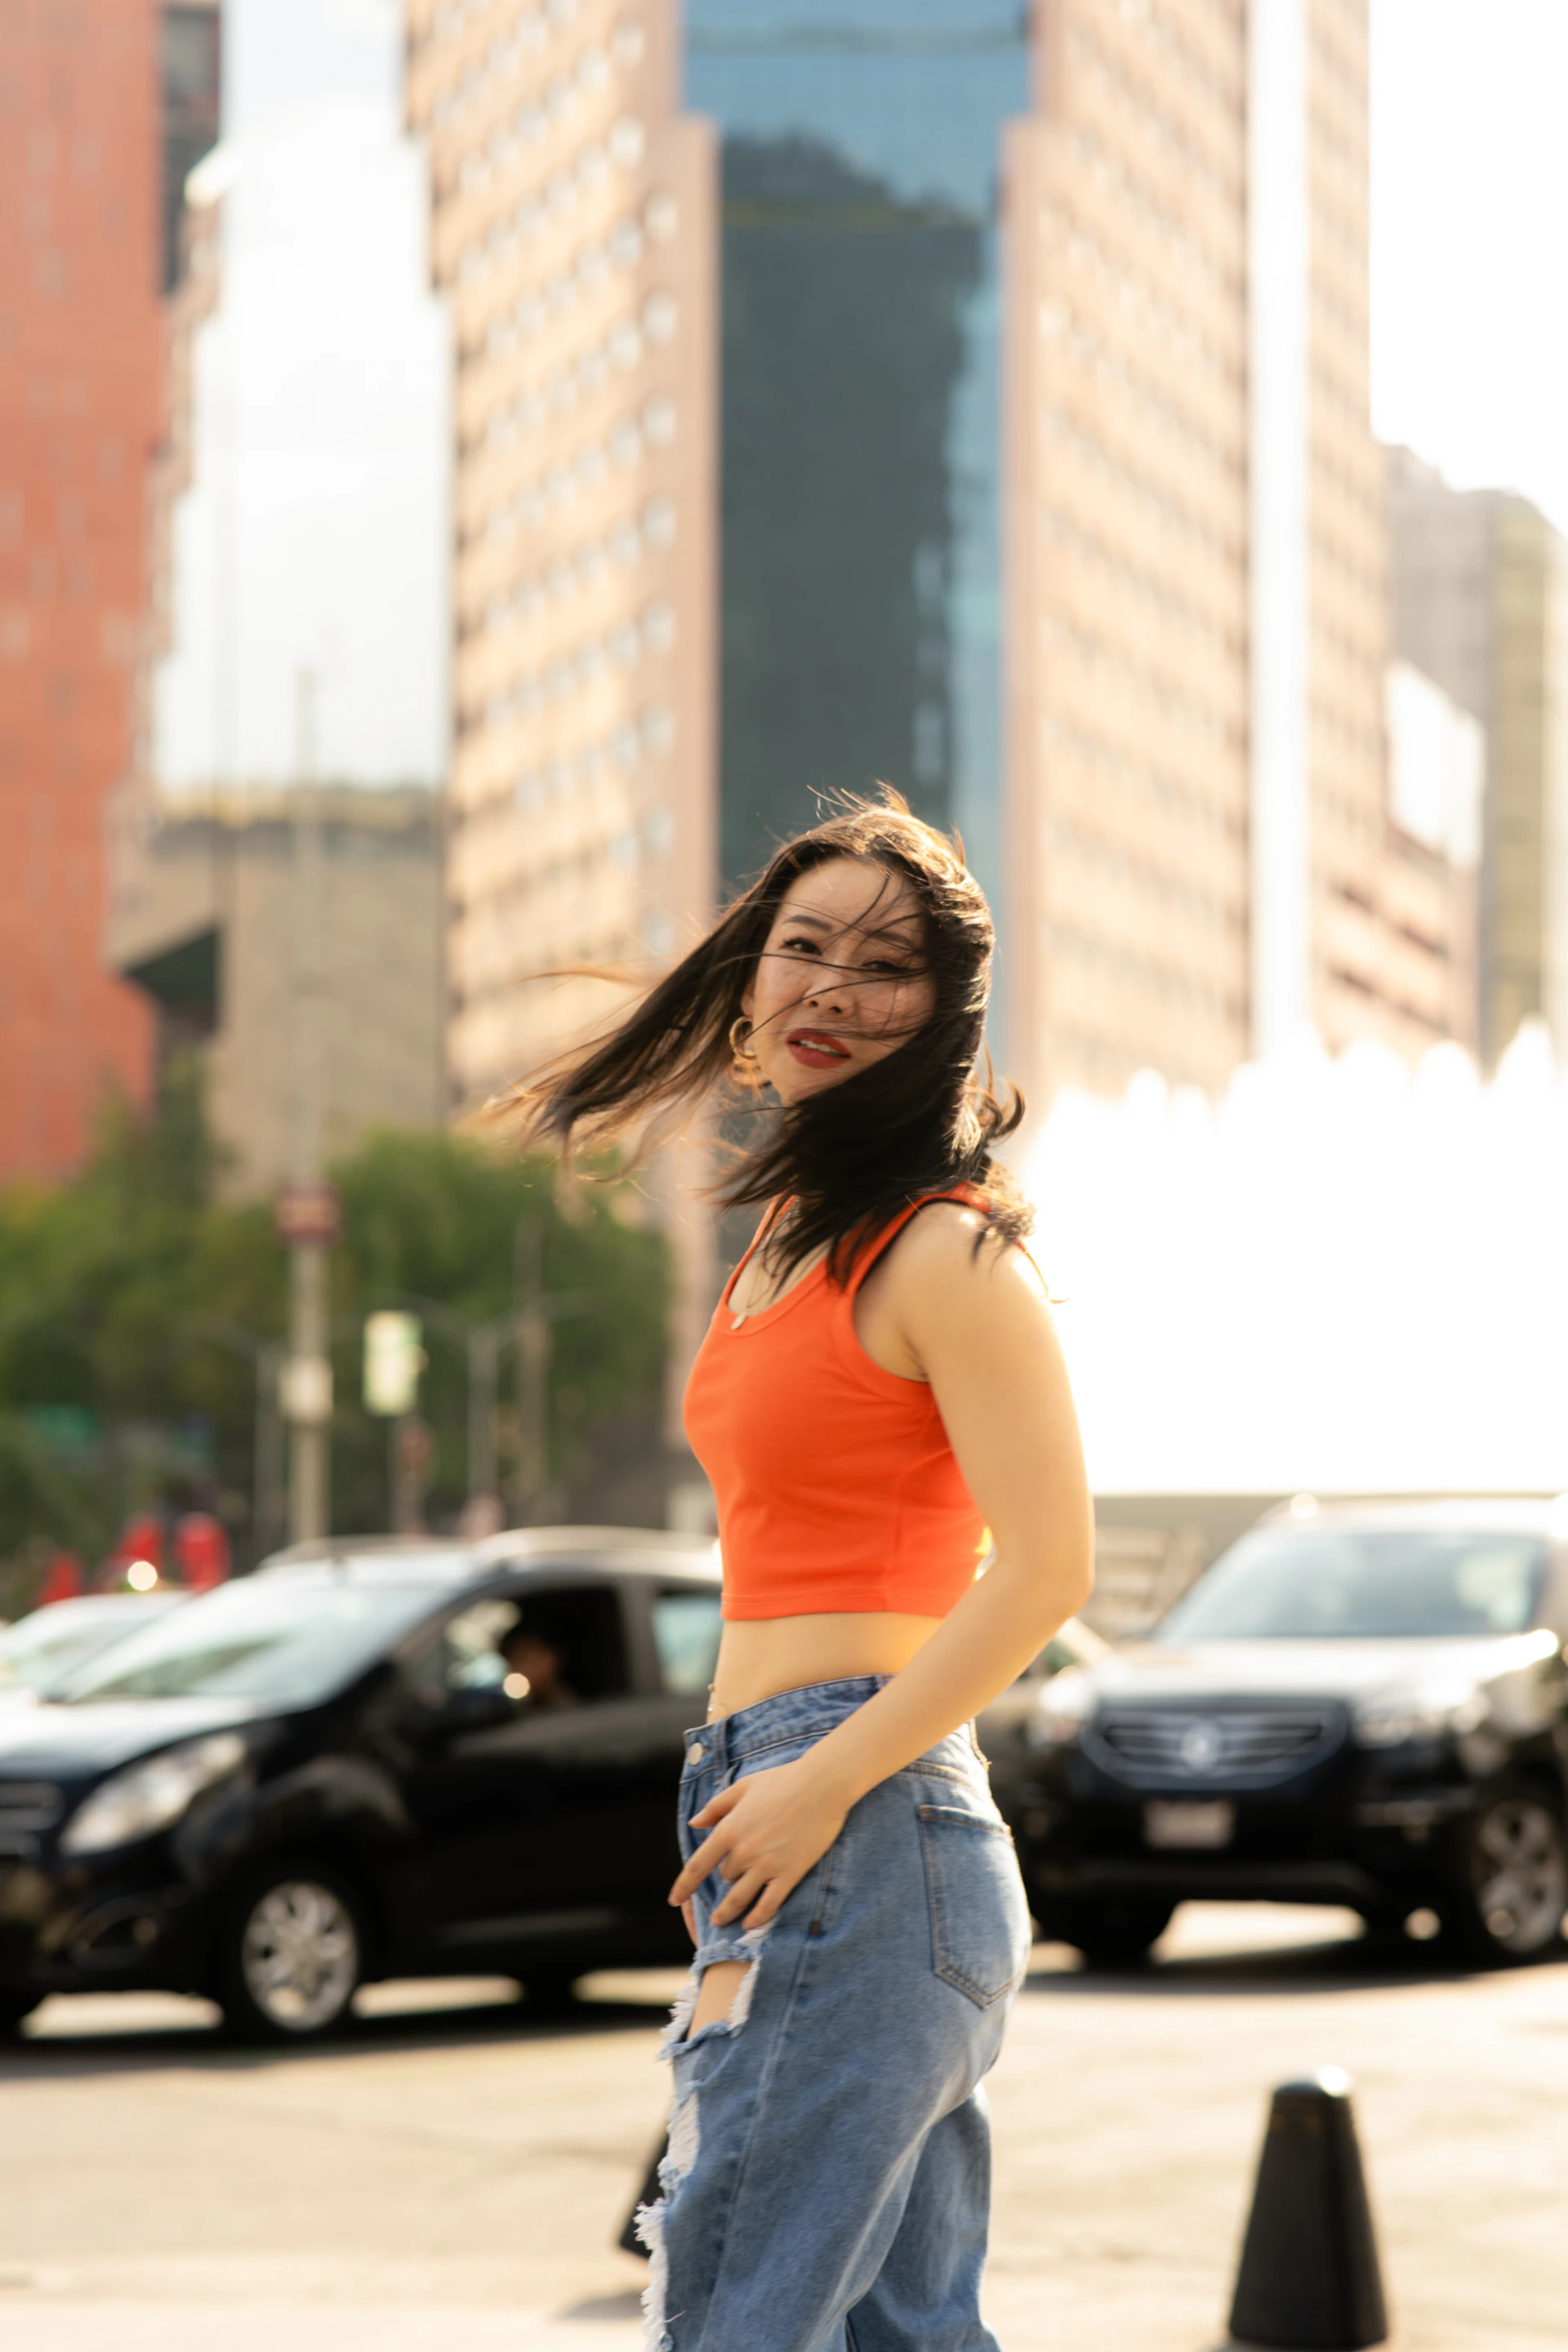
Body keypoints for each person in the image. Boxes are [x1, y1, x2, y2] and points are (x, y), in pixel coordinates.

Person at [510, 794, 1093, 2352]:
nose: (833, 987)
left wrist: (821, 1782)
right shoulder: (786, 1239)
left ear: (945, 1013)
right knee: (901, 2337)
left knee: (735, 2319)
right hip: (799, 1801)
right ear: (752, 978)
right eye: (806, 948)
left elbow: (1049, 1571)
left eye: (885, 966)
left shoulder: (948, 1252)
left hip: (860, 1808)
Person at [499, 1620, 577, 1711]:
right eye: (512, 1661)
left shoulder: (574, 1706)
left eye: (524, 1658)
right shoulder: (517, 1711)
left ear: (551, 1657)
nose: (517, 1669)